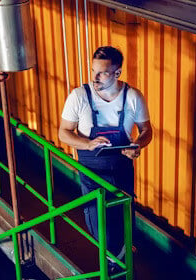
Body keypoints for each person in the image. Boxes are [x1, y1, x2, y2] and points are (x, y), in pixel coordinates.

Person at [58, 46, 152, 267]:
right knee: (100, 224)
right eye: (93, 71)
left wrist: (137, 145)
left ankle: (120, 259)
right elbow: (63, 132)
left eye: (102, 73)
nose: (94, 77)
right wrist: (88, 144)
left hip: (122, 169)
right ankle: (113, 263)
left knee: (124, 219)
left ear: (118, 73)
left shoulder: (133, 97)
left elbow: (147, 130)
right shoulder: (79, 97)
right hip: (93, 171)